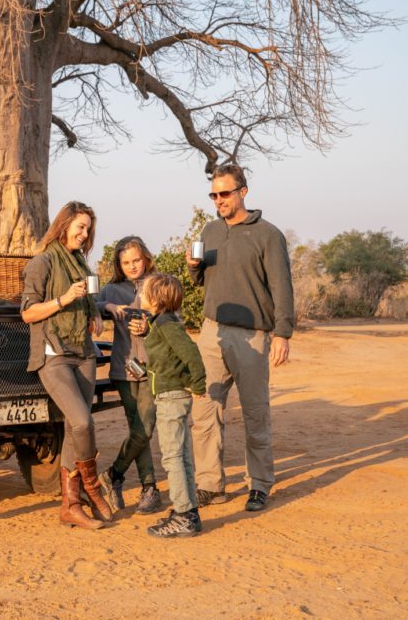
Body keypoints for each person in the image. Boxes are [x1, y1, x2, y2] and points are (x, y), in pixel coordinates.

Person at [186, 164, 295, 513]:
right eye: (213, 195)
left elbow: (282, 287)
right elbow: (200, 281)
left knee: (255, 412)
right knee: (205, 409)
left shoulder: (268, 234)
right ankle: (209, 485)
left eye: (225, 193)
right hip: (211, 330)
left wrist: (282, 334)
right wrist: (192, 266)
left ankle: (259, 485)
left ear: (243, 192)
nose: (218, 200)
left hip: (253, 337)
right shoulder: (210, 230)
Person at [21, 201, 113, 530]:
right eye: (80, 226)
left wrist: (96, 314)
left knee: (76, 430)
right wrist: (63, 299)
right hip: (53, 353)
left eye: (88, 228)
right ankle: (92, 487)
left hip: (84, 352)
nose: (85, 233)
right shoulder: (42, 262)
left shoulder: (81, 265)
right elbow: (28, 313)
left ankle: (70, 504)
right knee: (82, 422)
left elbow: (87, 304)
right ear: (64, 225)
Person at [95, 236, 164, 515]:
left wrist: (149, 329)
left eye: (136, 260)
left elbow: (175, 320)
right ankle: (150, 488)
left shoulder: (159, 283)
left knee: (145, 427)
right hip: (123, 369)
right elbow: (91, 305)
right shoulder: (111, 289)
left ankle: (112, 475)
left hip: (153, 367)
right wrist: (107, 307)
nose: (132, 266)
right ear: (119, 265)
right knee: (138, 428)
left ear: (145, 258)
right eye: (126, 263)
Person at [138, 273, 207, 538]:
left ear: (156, 299)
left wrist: (198, 385)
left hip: (171, 399)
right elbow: (171, 361)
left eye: (145, 292)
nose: (141, 295)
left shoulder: (167, 325)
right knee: (181, 456)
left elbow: (191, 355)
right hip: (169, 395)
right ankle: (188, 511)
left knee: (173, 457)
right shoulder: (161, 324)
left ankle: (183, 515)